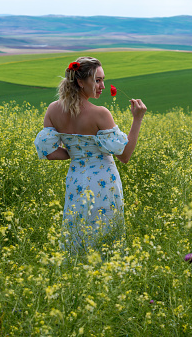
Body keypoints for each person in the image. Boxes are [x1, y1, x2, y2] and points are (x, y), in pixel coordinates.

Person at [34, 56, 147, 256]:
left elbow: (50, 153)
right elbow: (125, 155)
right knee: (105, 232)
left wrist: (77, 153)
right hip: (104, 179)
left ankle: (76, 273)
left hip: (76, 179)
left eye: (103, 79)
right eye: (97, 80)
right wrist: (137, 119)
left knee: (77, 227)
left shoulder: (53, 109)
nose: (103, 85)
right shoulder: (100, 113)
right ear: (80, 82)